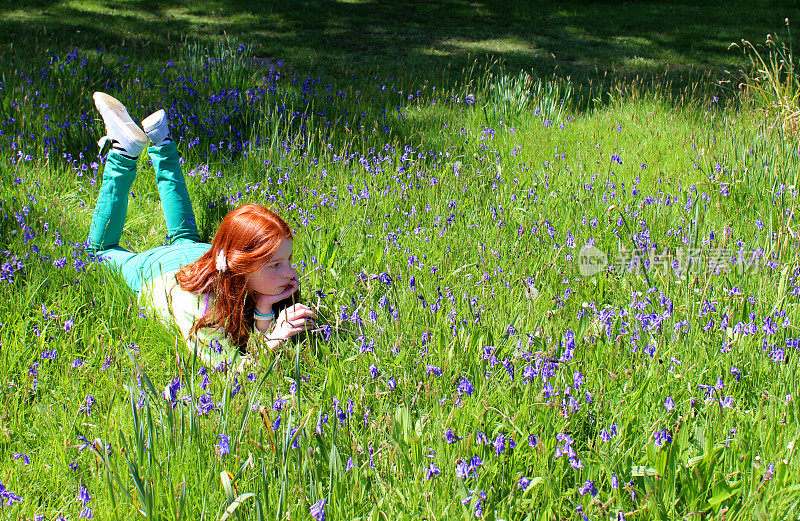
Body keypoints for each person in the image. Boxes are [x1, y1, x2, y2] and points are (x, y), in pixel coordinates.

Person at [88, 92, 316, 368]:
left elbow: (246, 343)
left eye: (287, 260)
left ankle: (159, 142)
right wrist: (274, 340)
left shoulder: (233, 270)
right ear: (240, 265)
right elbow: (232, 371)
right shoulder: (195, 305)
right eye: (276, 265)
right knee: (99, 251)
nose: (291, 273)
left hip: (200, 256)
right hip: (157, 270)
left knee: (186, 237)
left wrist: (264, 309)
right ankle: (125, 153)